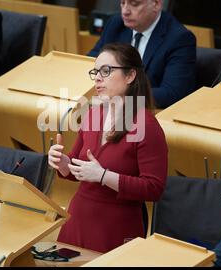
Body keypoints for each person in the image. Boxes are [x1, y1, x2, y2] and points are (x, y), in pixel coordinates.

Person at [48, 43, 168, 253]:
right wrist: (64, 163)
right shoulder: (93, 114)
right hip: (77, 221)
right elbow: (78, 166)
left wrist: (104, 176)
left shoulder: (147, 125)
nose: (97, 78)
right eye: (95, 72)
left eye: (106, 71)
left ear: (130, 76)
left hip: (115, 228)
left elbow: (154, 188)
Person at [89, 0, 196, 109]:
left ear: (156, 3)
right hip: (110, 111)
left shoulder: (179, 39)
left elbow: (173, 93)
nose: (125, 11)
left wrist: (121, 95)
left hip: (149, 116)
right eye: (122, 2)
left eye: (134, 3)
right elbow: (90, 63)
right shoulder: (116, 25)